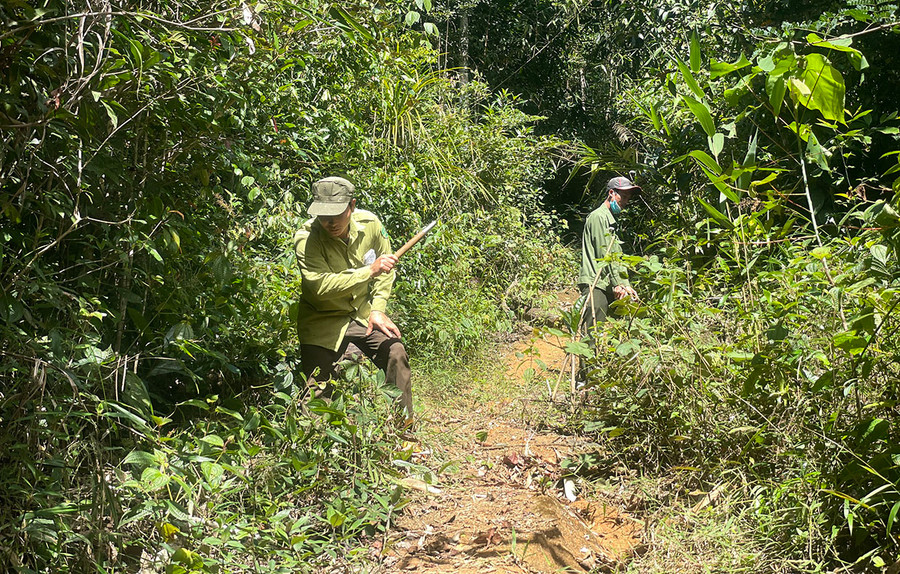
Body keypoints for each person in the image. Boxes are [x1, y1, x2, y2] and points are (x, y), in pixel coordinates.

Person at [293, 176, 413, 421]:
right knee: (318, 393)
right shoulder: (307, 239)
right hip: (322, 320)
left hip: (360, 314)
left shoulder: (370, 225)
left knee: (395, 352)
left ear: (352, 206)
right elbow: (319, 286)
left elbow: (386, 268)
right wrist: (369, 271)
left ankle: (403, 433)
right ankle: (318, 449)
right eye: (323, 216)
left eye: (337, 214)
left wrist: (378, 309)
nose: (330, 222)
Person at [578, 176, 641, 335]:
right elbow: (605, 254)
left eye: (628, 198)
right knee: (591, 338)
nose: (625, 201)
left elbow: (616, 257)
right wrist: (618, 284)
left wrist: (625, 284)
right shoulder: (599, 217)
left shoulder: (612, 220)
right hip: (596, 284)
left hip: (606, 283)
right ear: (611, 193)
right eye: (623, 197)